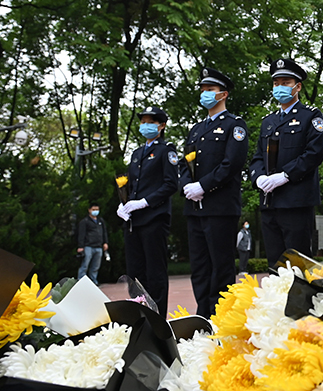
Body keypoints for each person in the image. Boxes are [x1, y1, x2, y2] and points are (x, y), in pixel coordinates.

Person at [179, 67, 249, 318]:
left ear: (223, 94)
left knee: (221, 266)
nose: (205, 94)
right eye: (203, 90)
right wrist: (187, 186)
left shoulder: (235, 125)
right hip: (195, 208)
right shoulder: (196, 129)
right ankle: (202, 315)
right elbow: (184, 162)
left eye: (210, 90)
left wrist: (203, 186)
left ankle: (221, 318)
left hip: (220, 207)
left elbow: (232, 163)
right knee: (199, 267)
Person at [249, 58, 323, 266]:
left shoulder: (310, 116)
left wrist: (285, 175)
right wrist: (258, 178)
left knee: (299, 265)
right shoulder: (268, 121)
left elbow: (314, 153)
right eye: (276, 83)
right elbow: (257, 157)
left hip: (296, 202)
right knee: (275, 265)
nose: (279, 87)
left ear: (297, 86)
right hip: (269, 202)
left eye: (285, 83)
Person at [116, 106, 179, 313]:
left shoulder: (166, 151)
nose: (145, 125)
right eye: (142, 122)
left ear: (161, 125)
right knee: (135, 272)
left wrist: (144, 202)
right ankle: (139, 313)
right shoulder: (136, 154)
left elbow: (170, 185)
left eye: (150, 122)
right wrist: (124, 205)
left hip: (154, 218)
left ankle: (157, 316)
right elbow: (132, 185)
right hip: (134, 222)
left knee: (155, 272)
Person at [77, 203, 108, 284]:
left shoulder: (100, 221)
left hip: (98, 246)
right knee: (85, 265)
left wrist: (105, 242)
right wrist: (81, 246)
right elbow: (81, 234)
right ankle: (81, 281)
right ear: (89, 210)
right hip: (88, 246)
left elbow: (104, 232)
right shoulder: (85, 221)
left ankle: (93, 281)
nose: (95, 211)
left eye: (97, 209)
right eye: (93, 210)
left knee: (95, 267)